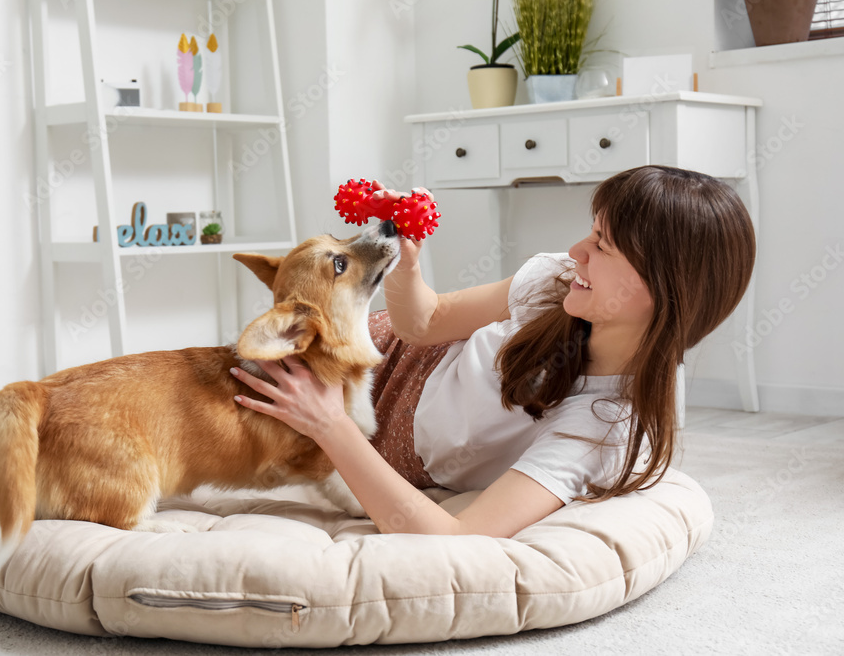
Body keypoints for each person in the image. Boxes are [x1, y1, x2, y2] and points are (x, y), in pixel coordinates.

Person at [231, 165, 756, 538]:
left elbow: (457, 536)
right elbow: (427, 323)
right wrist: (406, 265)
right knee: (219, 380)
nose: (577, 251)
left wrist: (330, 425)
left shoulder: (603, 425)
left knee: (230, 426)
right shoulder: (562, 279)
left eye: (603, 245)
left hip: (391, 442)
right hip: (395, 351)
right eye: (590, 232)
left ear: (658, 290)